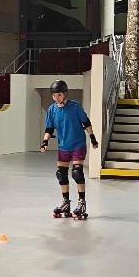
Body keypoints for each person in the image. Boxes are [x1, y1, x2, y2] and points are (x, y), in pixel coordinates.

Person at [40, 80, 98, 219]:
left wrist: (93, 138)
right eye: (54, 96)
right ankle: (65, 202)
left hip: (78, 144)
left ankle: (82, 202)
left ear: (65, 94)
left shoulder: (75, 107)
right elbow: (49, 128)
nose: (56, 98)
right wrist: (45, 142)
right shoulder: (52, 110)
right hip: (63, 145)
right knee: (61, 173)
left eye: (59, 95)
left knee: (77, 172)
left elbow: (86, 122)